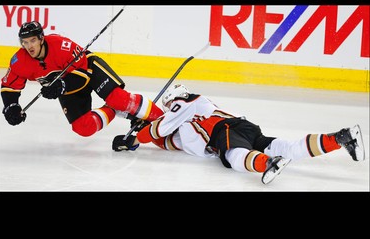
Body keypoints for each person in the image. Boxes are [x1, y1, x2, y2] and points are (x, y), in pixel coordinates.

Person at [112, 84, 366, 184]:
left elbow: (159, 128)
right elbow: (167, 139)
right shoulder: (185, 122)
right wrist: (136, 130)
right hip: (245, 127)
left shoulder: (184, 103)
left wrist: (133, 139)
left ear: (172, 100)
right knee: (286, 147)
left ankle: (267, 163)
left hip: (226, 130)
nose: (168, 110)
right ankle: (341, 138)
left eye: (169, 107)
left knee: (233, 156)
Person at [0, 21, 164, 137]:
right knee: (83, 128)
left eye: (33, 40)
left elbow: (83, 74)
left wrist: (60, 86)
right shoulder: (19, 60)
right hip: (66, 86)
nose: (29, 46)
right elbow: (9, 86)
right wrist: (11, 106)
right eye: (25, 42)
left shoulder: (60, 44)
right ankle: (113, 109)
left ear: (41, 39)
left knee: (118, 98)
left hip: (87, 69)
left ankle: (163, 120)